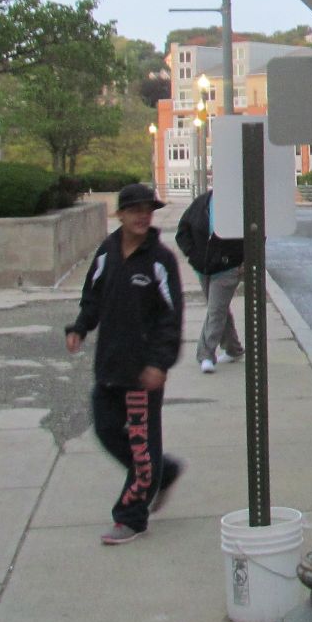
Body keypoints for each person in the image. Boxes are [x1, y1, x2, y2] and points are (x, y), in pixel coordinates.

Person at [65, 183, 185, 546]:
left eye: (148, 210)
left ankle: (130, 516)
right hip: (109, 368)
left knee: (141, 446)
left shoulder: (160, 261)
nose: (142, 216)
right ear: (120, 214)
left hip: (142, 374)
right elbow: (93, 297)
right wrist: (80, 328)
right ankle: (162, 473)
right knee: (106, 431)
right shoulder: (107, 252)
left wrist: (159, 364)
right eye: (134, 210)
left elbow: (171, 318)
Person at [174, 189, 246, 374]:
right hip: (203, 268)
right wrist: (193, 255)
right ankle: (233, 349)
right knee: (220, 310)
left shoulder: (239, 202)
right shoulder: (201, 203)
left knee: (216, 310)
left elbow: (257, 233)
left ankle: (205, 354)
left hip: (228, 268)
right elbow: (183, 231)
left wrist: (246, 260)